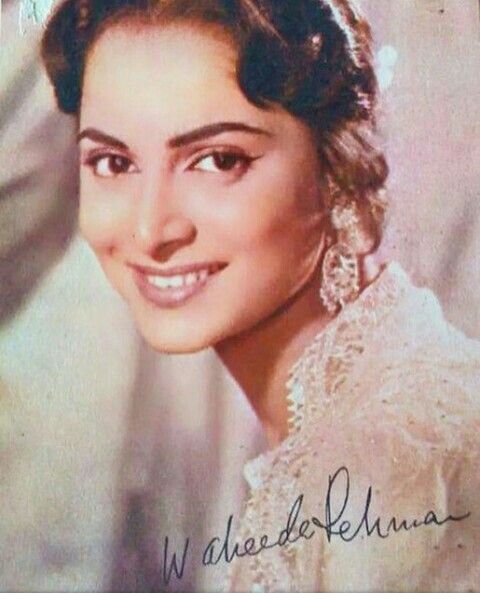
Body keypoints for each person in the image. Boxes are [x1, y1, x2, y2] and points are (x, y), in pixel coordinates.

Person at [40, 0, 480, 590]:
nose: (150, 230)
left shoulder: (391, 465)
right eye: (113, 163)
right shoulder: (370, 401)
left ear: (336, 171)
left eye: (217, 160)